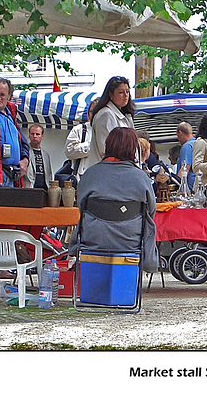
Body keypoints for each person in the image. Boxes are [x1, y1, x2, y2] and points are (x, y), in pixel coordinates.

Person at [70, 127, 159, 273]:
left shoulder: (90, 174)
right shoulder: (141, 178)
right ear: (133, 148)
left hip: (93, 240)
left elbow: (81, 207)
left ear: (108, 145)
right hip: (130, 242)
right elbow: (151, 211)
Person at [85, 76, 135, 169]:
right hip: (109, 170)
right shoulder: (106, 115)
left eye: (127, 92)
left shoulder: (126, 116)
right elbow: (105, 149)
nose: (125, 95)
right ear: (110, 94)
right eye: (120, 92)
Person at [64, 98, 99, 183]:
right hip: (82, 178)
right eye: (91, 111)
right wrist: (91, 146)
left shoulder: (109, 130)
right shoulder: (79, 129)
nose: (93, 115)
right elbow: (69, 151)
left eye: (97, 111)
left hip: (102, 177)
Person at [23, 124, 52, 189]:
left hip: (44, 189)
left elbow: (49, 174)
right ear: (29, 136)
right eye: (32, 134)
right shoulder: (24, 152)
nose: (35, 136)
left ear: (42, 136)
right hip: (29, 188)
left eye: (37, 134)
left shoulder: (46, 155)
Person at [176, 121, 196, 190]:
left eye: (178, 136)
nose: (178, 139)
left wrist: (176, 185)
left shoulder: (187, 146)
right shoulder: (197, 143)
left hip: (189, 188)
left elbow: (185, 168)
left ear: (180, 133)